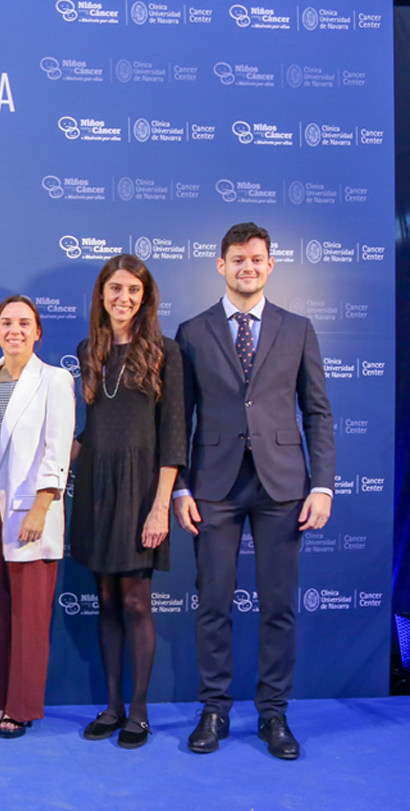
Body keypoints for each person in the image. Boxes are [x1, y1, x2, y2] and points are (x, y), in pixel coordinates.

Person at [174, 222, 334, 760]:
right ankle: (214, 710)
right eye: (238, 259)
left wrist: (323, 486)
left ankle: (274, 714)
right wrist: (181, 488)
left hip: (283, 485)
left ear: (270, 265)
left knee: (279, 606)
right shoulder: (192, 331)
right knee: (213, 603)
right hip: (214, 485)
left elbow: (317, 413)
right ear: (221, 265)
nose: (248, 267)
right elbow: (180, 420)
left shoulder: (298, 328)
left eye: (256, 258)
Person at [69, 257, 185, 748]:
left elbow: (174, 434)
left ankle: (139, 711)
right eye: (116, 288)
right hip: (97, 485)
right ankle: (112, 706)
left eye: (134, 290)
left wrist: (160, 507)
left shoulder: (165, 351)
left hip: (142, 488)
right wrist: (53, 455)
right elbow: (91, 429)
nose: (124, 298)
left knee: (137, 601)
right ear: (101, 294)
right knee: (107, 601)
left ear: (145, 297)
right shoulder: (88, 350)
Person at [0, 296, 74, 739]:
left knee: (29, 615)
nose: (16, 330)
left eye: (24, 323)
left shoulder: (55, 379)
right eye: (7, 323)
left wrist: (42, 506)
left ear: (38, 332)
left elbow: (58, 448)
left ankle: (21, 706)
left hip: (32, 510)